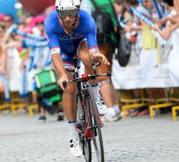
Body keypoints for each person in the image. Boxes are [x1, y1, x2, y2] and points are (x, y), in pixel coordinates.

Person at [44, 0, 110, 157]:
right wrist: (61, 75)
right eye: (63, 14)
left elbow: (93, 50)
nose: (67, 18)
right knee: (70, 87)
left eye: (71, 14)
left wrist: (97, 55)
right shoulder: (51, 22)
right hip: (64, 53)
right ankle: (73, 134)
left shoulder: (87, 21)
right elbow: (55, 54)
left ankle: (96, 96)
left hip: (81, 45)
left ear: (78, 10)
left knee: (88, 59)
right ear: (57, 12)